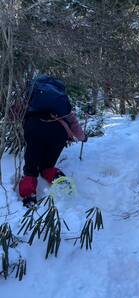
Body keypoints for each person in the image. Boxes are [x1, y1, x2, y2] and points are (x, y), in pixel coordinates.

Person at [18, 75, 86, 207]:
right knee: (47, 164)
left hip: (35, 128)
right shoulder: (60, 101)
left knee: (31, 168)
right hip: (59, 132)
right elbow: (73, 123)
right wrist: (83, 138)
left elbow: (16, 112)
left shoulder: (31, 97)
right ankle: (55, 175)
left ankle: (29, 195)